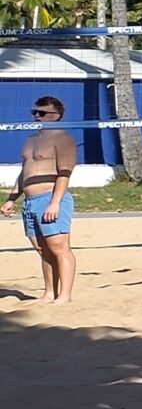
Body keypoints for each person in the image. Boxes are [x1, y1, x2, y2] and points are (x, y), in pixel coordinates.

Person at [15, 94, 77, 302]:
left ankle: (65, 295)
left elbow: (64, 173)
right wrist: (11, 198)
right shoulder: (30, 140)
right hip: (30, 202)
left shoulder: (63, 139)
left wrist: (55, 203)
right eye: (35, 112)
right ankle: (49, 293)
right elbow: (24, 173)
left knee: (59, 248)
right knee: (44, 251)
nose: (37, 116)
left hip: (50, 198)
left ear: (56, 115)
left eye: (42, 113)